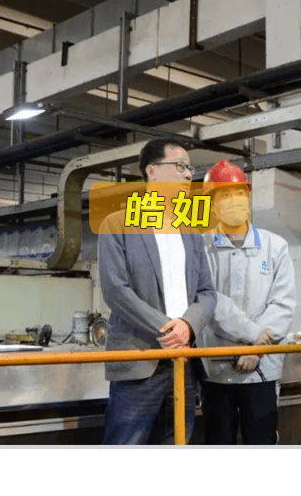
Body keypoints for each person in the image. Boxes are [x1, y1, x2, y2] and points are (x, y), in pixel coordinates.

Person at [97, 138, 216, 444]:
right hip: (140, 360)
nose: (187, 174)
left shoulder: (191, 230)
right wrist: (168, 329)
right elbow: (116, 290)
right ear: (152, 171)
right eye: (180, 166)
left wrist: (188, 325)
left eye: (190, 169)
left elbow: (207, 292)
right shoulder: (117, 223)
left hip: (182, 362)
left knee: (176, 444)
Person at [199, 160, 298, 445]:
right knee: (219, 444)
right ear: (212, 204)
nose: (234, 201)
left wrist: (256, 348)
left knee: (261, 440)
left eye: (239, 193)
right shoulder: (201, 248)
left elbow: (283, 305)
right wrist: (253, 336)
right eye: (225, 195)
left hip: (262, 368)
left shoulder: (275, 246)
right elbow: (208, 301)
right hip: (216, 369)